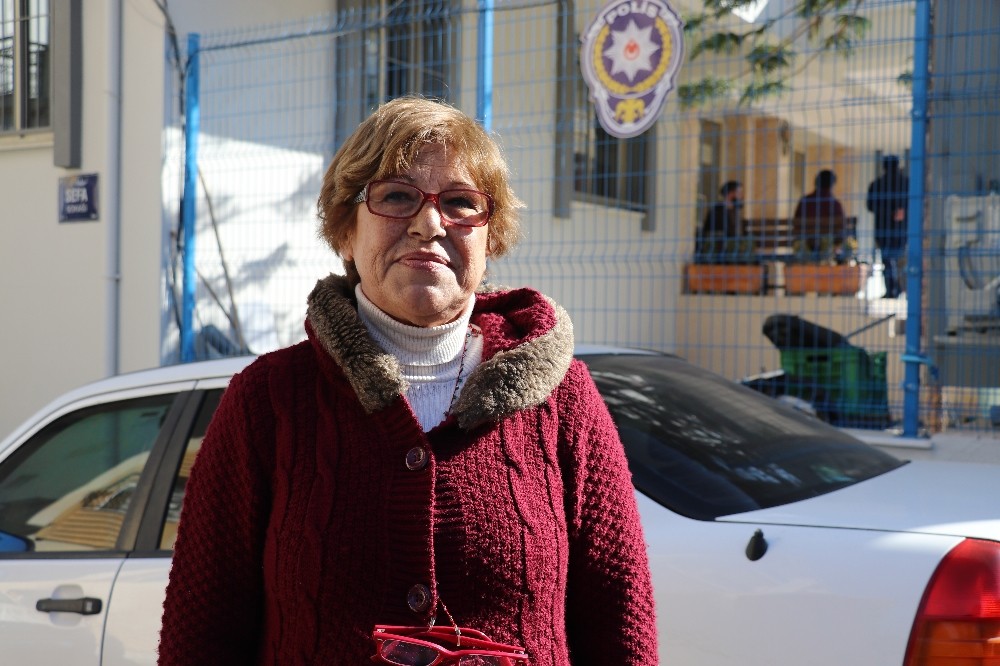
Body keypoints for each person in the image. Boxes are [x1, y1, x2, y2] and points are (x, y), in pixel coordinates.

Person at [157, 96, 658, 665]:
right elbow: (200, 634)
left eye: (461, 203)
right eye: (396, 196)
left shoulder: (564, 399)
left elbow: (621, 623)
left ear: (489, 241)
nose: (428, 223)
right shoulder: (266, 400)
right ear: (345, 233)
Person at [866, 155, 909, 298]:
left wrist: (886, 212)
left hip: (883, 229)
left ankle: (892, 290)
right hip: (901, 229)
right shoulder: (906, 183)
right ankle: (903, 289)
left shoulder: (876, 184)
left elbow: (870, 206)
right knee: (901, 261)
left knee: (887, 261)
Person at [793, 169, 847, 254]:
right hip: (827, 248)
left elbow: (796, 224)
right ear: (832, 184)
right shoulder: (835, 204)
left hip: (806, 246)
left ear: (816, 182)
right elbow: (841, 228)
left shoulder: (804, 201)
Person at [697, 180, 744, 262]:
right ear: (731, 193)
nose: (741, 196)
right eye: (739, 193)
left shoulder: (734, 211)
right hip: (720, 250)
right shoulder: (718, 211)